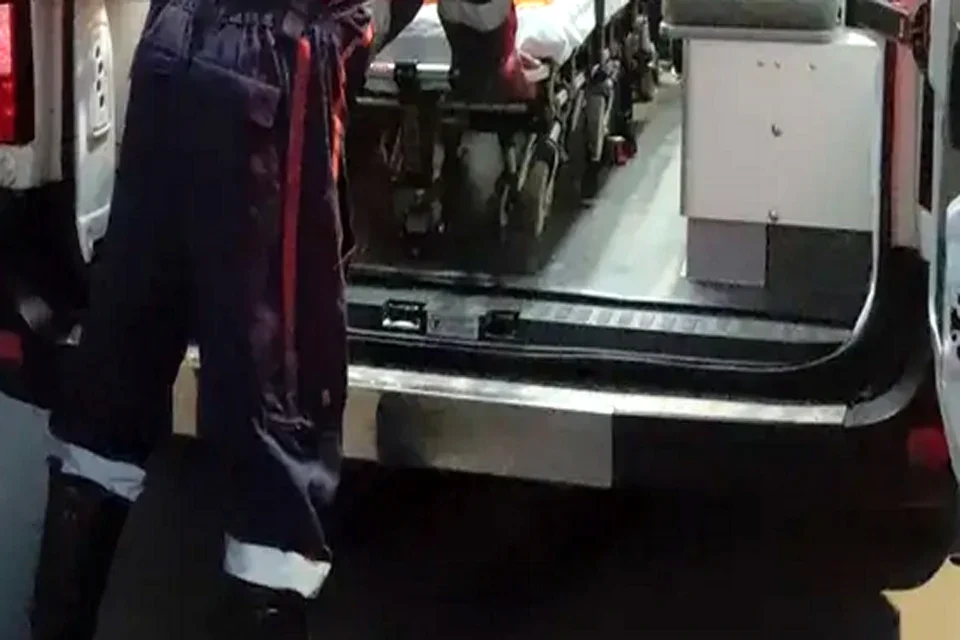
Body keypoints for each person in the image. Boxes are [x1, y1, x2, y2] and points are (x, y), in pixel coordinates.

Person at [27, 0, 523, 638]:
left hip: (168, 52)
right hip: (269, 77)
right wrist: (492, 66)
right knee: (277, 398)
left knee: (120, 364)